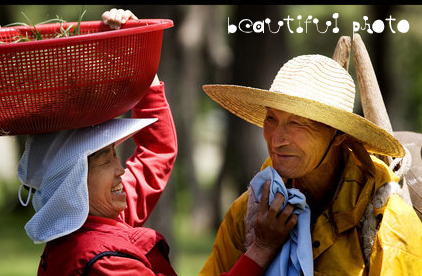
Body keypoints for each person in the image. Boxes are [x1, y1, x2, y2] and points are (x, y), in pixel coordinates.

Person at [16, 8, 297, 276]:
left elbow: (156, 151)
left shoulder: (92, 220)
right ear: (72, 182)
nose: (121, 169)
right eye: (104, 159)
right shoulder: (104, 261)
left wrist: (138, 51)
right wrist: (262, 248)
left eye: (114, 154)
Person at [199, 54, 422, 275]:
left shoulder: (388, 224)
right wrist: (261, 248)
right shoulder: (250, 213)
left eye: (297, 123)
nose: (276, 140)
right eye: (271, 119)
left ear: (339, 135)